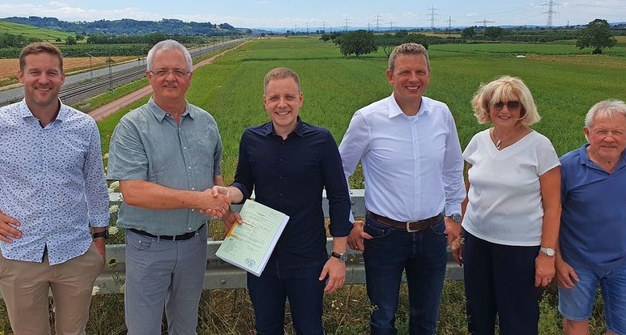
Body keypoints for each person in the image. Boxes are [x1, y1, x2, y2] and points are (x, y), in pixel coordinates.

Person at [339, 42, 466, 335]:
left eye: (420, 72)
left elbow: (451, 168)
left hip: (433, 233)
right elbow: (339, 173)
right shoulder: (367, 119)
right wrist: (347, 224)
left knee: (426, 320)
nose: (413, 79)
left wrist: (454, 217)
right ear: (389, 76)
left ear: (429, 75)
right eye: (405, 72)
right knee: (382, 319)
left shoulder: (442, 114)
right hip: (383, 235)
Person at [106, 39, 229, 335]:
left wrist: (226, 212)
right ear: (149, 76)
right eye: (162, 71)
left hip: (195, 244)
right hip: (148, 246)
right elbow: (133, 191)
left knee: (186, 328)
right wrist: (196, 198)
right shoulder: (132, 127)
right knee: (143, 330)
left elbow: (216, 177)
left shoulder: (206, 123)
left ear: (190, 76)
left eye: (178, 70)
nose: (170, 77)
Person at [217, 67, 353, 334]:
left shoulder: (322, 140)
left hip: (307, 257)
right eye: (274, 98)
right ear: (265, 102)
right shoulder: (251, 139)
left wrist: (338, 255)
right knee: (266, 328)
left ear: (300, 99)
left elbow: (339, 197)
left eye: (289, 97)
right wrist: (230, 194)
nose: (282, 104)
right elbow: (243, 183)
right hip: (261, 255)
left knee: (310, 328)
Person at [0, 42, 109, 334]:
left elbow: (96, 185)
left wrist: (99, 240)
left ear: (63, 77)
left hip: (74, 251)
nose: (43, 80)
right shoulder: (0, 124)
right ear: (20, 76)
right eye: (35, 72)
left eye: (52, 72)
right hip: (19, 252)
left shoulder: (84, 126)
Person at [453, 75, 561, 335]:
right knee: (478, 316)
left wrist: (547, 255)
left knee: (518, 321)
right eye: (497, 104)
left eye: (513, 104)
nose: (504, 110)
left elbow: (553, 207)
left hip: (519, 249)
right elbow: (467, 191)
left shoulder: (539, 146)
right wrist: (461, 234)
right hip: (477, 242)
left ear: (523, 109)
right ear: (486, 108)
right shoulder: (478, 141)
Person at [556, 100, 626, 335]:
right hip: (577, 263)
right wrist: (558, 261)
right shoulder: (566, 167)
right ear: (587, 132)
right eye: (602, 131)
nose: (609, 138)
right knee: (575, 320)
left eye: (618, 132)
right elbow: (551, 216)